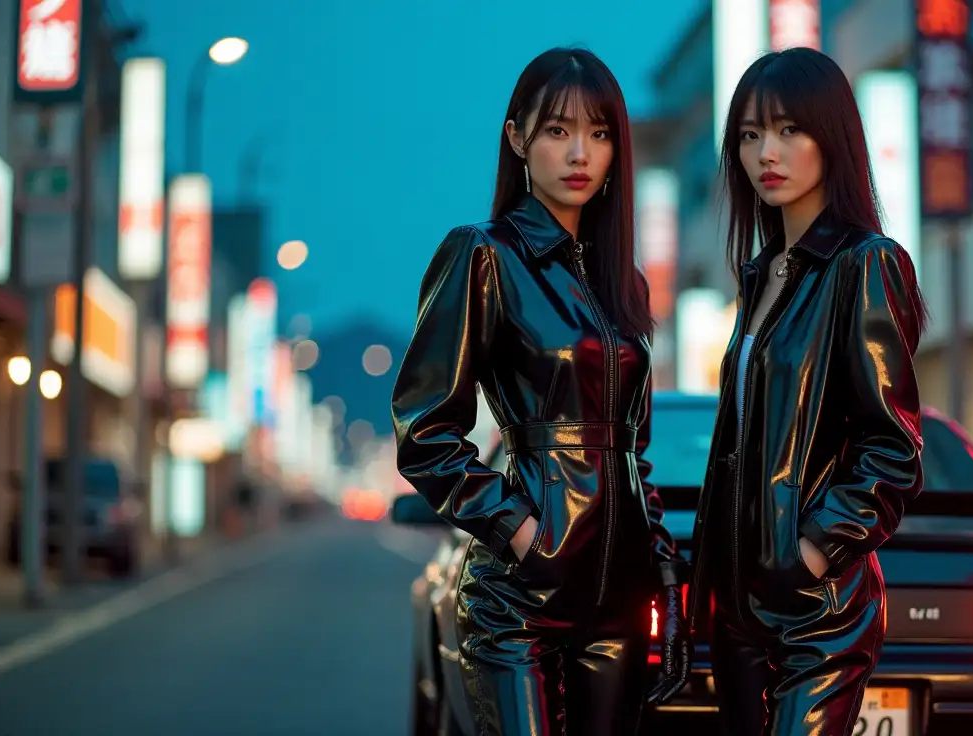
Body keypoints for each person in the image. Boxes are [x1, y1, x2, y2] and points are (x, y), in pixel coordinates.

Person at [390, 47, 689, 735]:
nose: (579, 152)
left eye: (599, 133)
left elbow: (633, 454)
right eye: (557, 131)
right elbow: (423, 427)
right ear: (518, 137)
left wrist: (666, 580)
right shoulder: (483, 254)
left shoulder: (625, 285)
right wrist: (522, 531)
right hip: (519, 599)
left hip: (617, 602)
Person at [687, 47, 927, 735]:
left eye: (790, 129)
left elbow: (892, 447)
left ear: (832, 136)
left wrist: (811, 554)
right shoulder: (763, 277)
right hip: (738, 610)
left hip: (816, 609)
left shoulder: (866, 265)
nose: (768, 151)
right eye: (751, 134)